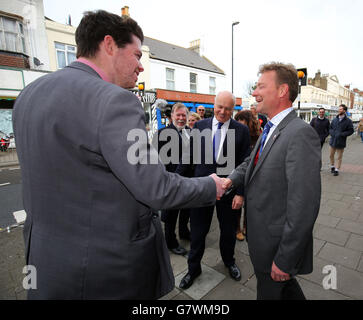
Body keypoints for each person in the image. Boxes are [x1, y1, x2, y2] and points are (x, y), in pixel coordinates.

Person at [12, 10, 225, 300]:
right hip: (104, 271)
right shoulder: (114, 101)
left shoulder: (29, 94)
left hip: (44, 265)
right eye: (137, 55)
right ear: (109, 45)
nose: (140, 67)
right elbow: (157, 188)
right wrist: (211, 186)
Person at [223, 62, 321, 300]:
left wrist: (285, 259)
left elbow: (304, 207)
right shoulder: (272, 128)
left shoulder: (299, 134)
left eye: (260, 87)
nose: (254, 93)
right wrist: (230, 181)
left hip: (276, 248)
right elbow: (252, 162)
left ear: (281, 91)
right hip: (263, 241)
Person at [178, 91, 251, 290]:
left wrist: (240, 193)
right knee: (198, 233)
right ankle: (193, 269)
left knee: (228, 232)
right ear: (214, 104)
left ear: (233, 109)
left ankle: (229, 262)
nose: (223, 112)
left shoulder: (241, 131)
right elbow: (188, 157)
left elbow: (246, 163)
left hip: (230, 191)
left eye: (228, 108)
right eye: (220, 107)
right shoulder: (200, 126)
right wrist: (178, 181)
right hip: (202, 189)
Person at [154, 103, 192, 255]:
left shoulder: (191, 132)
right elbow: (157, 160)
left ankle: (184, 232)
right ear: (172, 116)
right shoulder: (162, 134)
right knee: (171, 214)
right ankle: (170, 241)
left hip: (189, 180)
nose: (181, 118)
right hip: (171, 180)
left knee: (186, 210)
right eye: (179, 115)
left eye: (184, 115)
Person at [234, 110, 261, 241]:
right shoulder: (235, 134)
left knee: (249, 203)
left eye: (242, 120)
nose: (239, 123)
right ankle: (237, 228)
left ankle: (246, 226)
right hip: (239, 173)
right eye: (237, 120)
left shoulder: (257, 136)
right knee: (238, 201)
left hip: (253, 175)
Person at [329, 104, 354, 176]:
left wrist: (342, 134)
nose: (339, 110)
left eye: (340, 109)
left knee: (339, 157)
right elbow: (330, 128)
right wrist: (332, 133)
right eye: (339, 109)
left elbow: (351, 131)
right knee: (331, 155)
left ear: (344, 111)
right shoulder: (334, 119)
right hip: (333, 141)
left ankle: (337, 169)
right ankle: (332, 166)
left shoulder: (348, 121)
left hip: (341, 141)